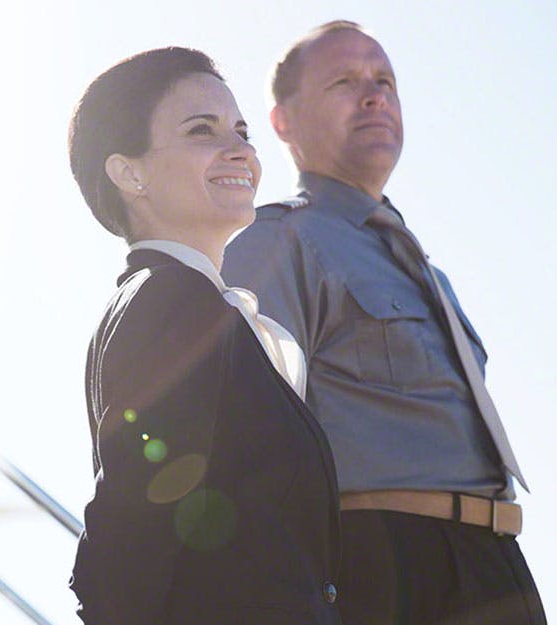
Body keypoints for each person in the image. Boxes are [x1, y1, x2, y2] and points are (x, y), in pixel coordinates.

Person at [223, 22, 547, 625]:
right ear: (283, 122)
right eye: (344, 82)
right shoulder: (278, 243)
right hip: (387, 567)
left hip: (493, 565)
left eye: (385, 82)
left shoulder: (424, 269)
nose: (374, 97)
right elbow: (247, 440)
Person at [67, 47, 342, 625]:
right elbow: (126, 532)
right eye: (202, 130)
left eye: (242, 131)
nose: (240, 150)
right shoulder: (169, 299)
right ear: (129, 173)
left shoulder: (191, 304)